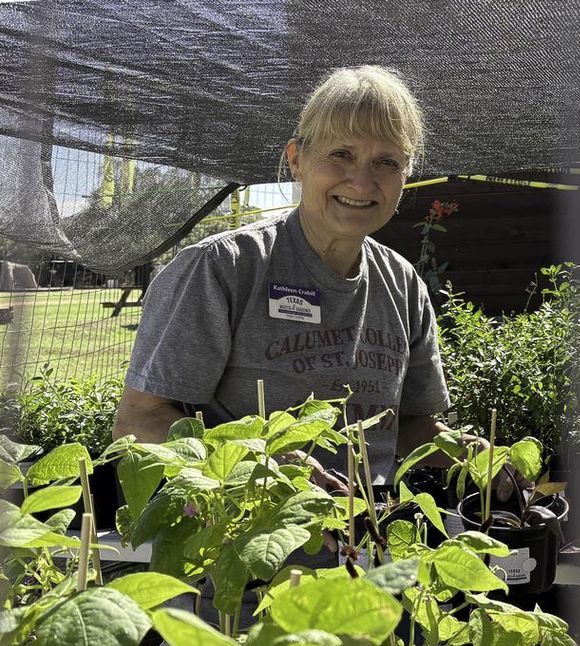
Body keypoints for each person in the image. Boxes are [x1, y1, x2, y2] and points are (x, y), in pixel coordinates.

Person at [114, 65, 454, 488]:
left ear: (405, 176)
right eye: (341, 154)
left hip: (368, 540)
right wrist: (260, 468)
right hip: (248, 539)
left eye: (386, 161)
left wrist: (468, 452)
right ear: (297, 160)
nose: (362, 181)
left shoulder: (402, 285)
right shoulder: (222, 268)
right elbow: (138, 421)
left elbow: (408, 425)